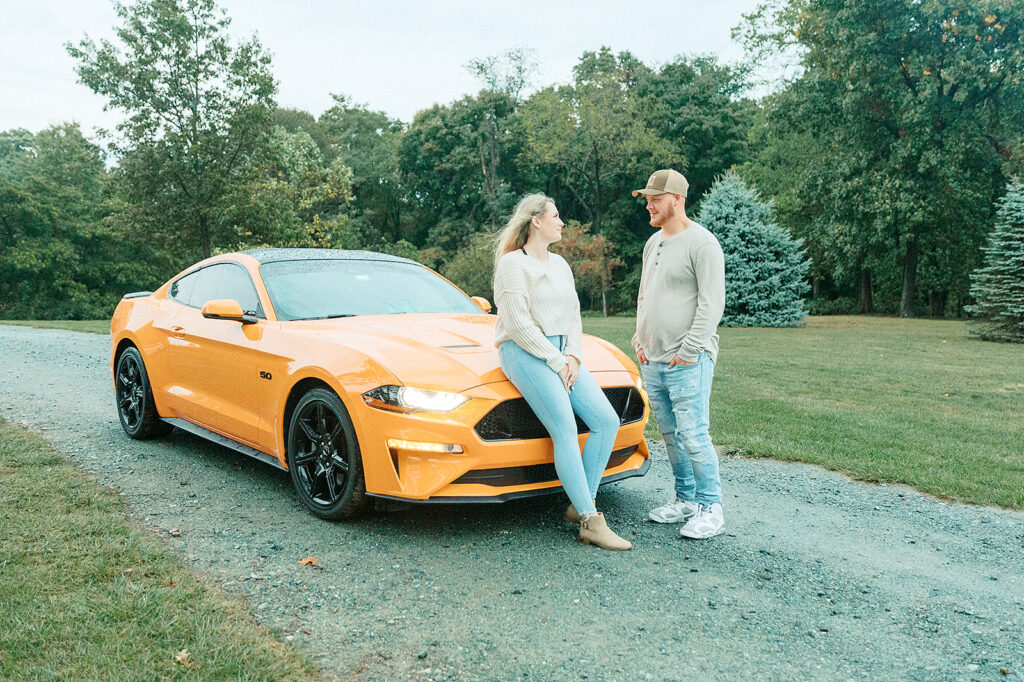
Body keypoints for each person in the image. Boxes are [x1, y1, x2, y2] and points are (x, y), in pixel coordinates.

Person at [492, 193, 631, 551]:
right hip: (524, 351)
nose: (562, 222)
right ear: (536, 221)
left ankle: (579, 502)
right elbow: (518, 325)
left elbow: (573, 316)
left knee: (606, 420)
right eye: (555, 216)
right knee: (565, 428)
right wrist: (555, 361)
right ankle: (590, 520)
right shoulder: (512, 264)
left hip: (562, 353)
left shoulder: (561, 265)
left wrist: (573, 357)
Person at [631, 169, 727, 539]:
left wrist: (689, 351)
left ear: (677, 199)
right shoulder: (652, 244)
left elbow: (711, 303)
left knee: (694, 434)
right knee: (670, 434)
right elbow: (644, 295)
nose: (650, 205)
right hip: (652, 359)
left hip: (686, 360)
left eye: (656, 199)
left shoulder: (703, 244)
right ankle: (685, 500)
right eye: (648, 199)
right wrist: (639, 339)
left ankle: (710, 507)